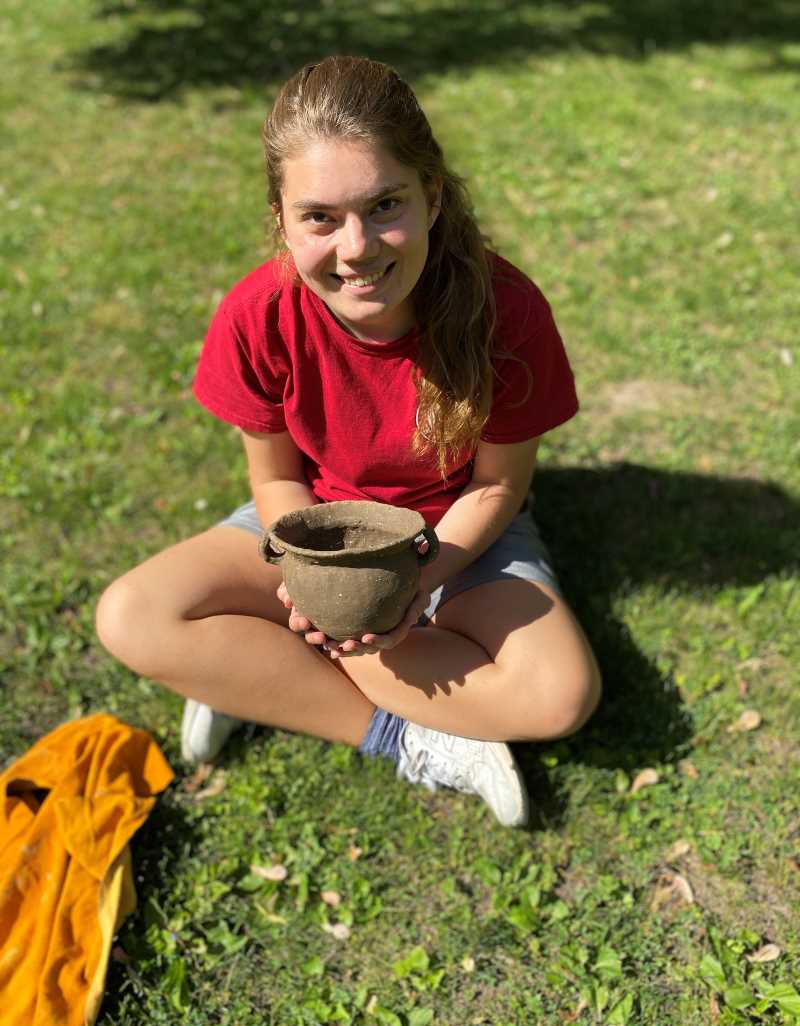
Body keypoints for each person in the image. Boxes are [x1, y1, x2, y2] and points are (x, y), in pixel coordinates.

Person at [95, 55, 601, 828]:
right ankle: (404, 736)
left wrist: (411, 583)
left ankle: (259, 674)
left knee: (561, 692)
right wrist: (325, 585)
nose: (358, 248)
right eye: (321, 217)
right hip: (313, 531)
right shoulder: (256, 316)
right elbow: (275, 483)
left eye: (385, 205)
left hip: (460, 538)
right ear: (281, 220)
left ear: (432, 197)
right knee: (131, 614)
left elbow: (497, 487)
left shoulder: (506, 311)